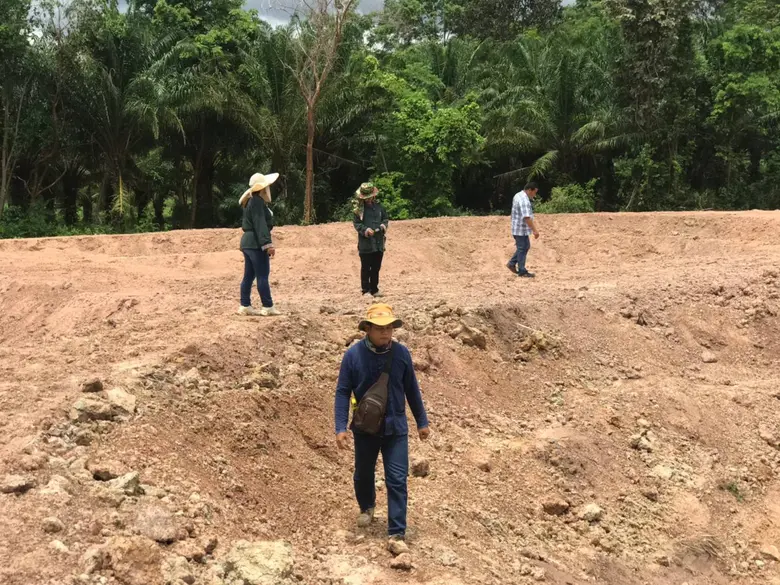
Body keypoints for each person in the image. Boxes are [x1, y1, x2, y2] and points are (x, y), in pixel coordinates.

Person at [334, 303, 430, 548]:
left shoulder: (401, 354)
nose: (386, 333)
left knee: (397, 478)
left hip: (396, 427)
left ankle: (397, 530)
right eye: (379, 328)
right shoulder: (353, 356)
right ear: (367, 329)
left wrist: (422, 421)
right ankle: (367, 506)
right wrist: (340, 427)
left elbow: (412, 388)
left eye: (389, 328)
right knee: (363, 474)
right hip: (365, 428)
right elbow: (343, 392)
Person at [237, 172, 281, 316]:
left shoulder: (250, 201)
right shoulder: (257, 202)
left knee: (249, 275)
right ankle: (267, 306)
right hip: (255, 243)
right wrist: (268, 244)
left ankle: (245, 305)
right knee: (262, 275)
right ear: (263, 188)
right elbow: (260, 224)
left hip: (248, 242)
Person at [353, 183, 389, 297]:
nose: (368, 199)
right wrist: (366, 230)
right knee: (365, 267)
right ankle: (365, 290)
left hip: (378, 242)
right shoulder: (359, 210)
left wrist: (383, 226)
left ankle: (374, 289)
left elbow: (385, 219)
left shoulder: (379, 207)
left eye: (370, 197)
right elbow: (357, 224)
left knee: (376, 267)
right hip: (366, 244)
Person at [507, 181, 541, 278]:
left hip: (517, 227)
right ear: (530, 190)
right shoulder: (524, 200)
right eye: (535, 192)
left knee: (524, 246)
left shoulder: (518, 195)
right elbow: (526, 217)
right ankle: (522, 271)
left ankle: (512, 264)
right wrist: (535, 230)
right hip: (520, 229)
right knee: (522, 248)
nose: (535, 194)